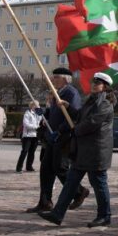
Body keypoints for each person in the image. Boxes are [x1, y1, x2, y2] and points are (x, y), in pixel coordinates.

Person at [40, 73, 115, 227]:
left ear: (105, 87)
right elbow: (81, 116)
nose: (94, 84)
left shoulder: (105, 104)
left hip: (96, 152)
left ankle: (104, 216)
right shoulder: (91, 101)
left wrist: (74, 130)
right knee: (70, 183)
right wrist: (69, 108)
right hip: (82, 151)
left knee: (99, 184)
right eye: (93, 81)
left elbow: (91, 123)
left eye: (98, 83)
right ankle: (57, 214)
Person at [26, 67, 88, 213]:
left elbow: (72, 115)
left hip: (63, 137)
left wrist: (60, 130)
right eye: (53, 77)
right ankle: (45, 202)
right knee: (46, 170)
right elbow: (55, 114)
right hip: (51, 137)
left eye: (56, 77)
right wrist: (45, 113)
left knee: (60, 168)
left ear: (65, 79)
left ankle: (79, 191)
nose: (53, 80)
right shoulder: (57, 93)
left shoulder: (71, 92)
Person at [16, 101, 41, 173]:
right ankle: (19, 167)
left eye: (38, 105)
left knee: (32, 152)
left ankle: (29, 166)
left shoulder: (38, 114)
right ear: (32, 106)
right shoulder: (27, 113)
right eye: (36, 105)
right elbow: (26, 124)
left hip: (35, 135)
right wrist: (36, 127)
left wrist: (40, 111)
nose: (37, 106)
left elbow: (41, 119)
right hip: (27, 135)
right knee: (24, 151)